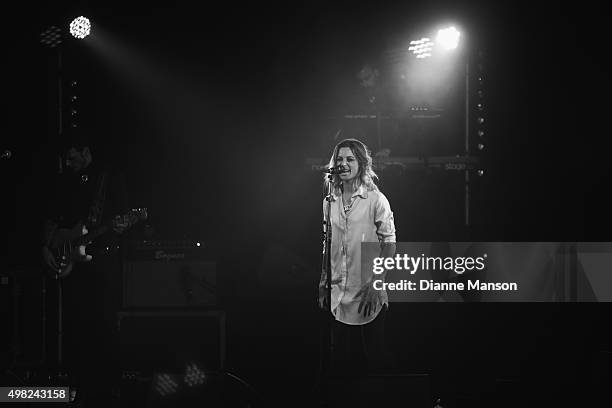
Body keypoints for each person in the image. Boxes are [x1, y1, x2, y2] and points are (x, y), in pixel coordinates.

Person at [41, 132, 131, 406]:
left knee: (103, 323)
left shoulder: (108, 177)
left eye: (72, 157)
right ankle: (77, 387)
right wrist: (46, 247)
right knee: (75, 325)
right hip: (72, 263)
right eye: (65, 159)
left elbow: (124, 216)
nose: (68, 163)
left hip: (102, 259)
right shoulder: (64, 182)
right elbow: (53, 219)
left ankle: (110, 388)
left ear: (85, 151)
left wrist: (122, 225)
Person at [318, 138, 397, 375]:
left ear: (361, 164)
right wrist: (323, 282)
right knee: (341, 363)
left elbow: (390, 244)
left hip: (367, 291)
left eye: (350, 159)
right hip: (338, 293)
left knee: (374, 358)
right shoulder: (328, 202)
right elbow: (327, 243)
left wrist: (377, 281)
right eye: (339, 159)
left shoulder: (375, 199)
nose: (343, 164)